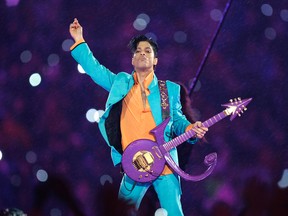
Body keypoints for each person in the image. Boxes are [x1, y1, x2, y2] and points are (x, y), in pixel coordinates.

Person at [69, 18, 208, 216]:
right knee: (119, 212)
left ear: (155, 60)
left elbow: (176, 120)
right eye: (138, 51)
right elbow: (95, 70)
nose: (143, 54)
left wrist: (189, 129)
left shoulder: (168, 89)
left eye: (148, 51)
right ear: (133, 59)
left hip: (165, 160)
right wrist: (79, 40)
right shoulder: (121, 83)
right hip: (135, 161)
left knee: (175, 212)